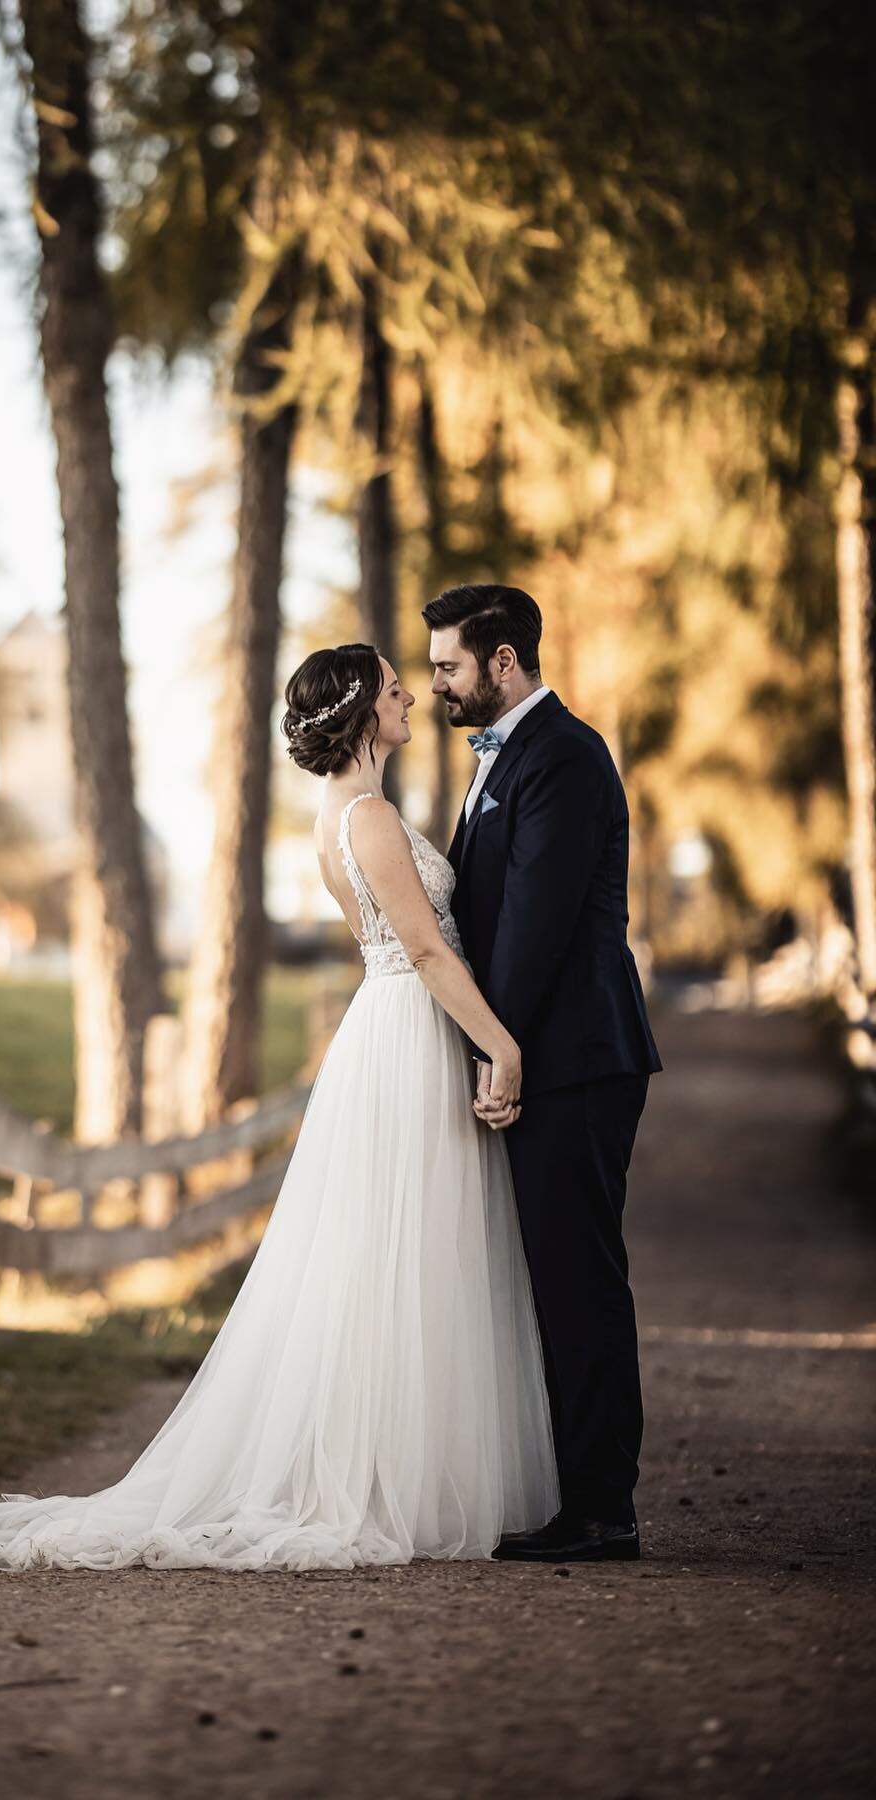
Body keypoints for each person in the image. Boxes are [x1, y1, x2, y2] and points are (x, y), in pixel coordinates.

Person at [0, 640, 560, 1572]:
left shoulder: (334, 821)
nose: (409, 701)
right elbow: (430, 954)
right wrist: (504, 1044)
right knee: (406, 1251)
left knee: (393, 1259)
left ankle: (406, 1461)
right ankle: (382, 1474)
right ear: (360, 713)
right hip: (408, 1032)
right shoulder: (373, 821)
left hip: (391, 1031)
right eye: (395, 691)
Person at [425, 583, 662, 1563]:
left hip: (571, 1060)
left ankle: (602, 1507)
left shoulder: (563, 756)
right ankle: (575, 1489)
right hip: (543, 1054)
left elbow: (534, 928)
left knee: (578, 1280)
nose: (440, 683)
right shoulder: (503, 758)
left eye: (450, 666)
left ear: (503, 664)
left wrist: (495, 1047)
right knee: (553, 1278)